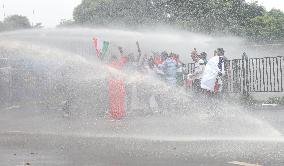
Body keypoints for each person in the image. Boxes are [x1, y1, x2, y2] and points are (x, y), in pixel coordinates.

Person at [108, 54, 128, 119]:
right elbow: (125, 58)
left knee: (113, 101)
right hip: (120, 85)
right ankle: (120, 114)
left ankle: (114, 114)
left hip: (112, 86)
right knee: (120, 101)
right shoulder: (119, 64)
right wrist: (121, 52)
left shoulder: (109, 65)